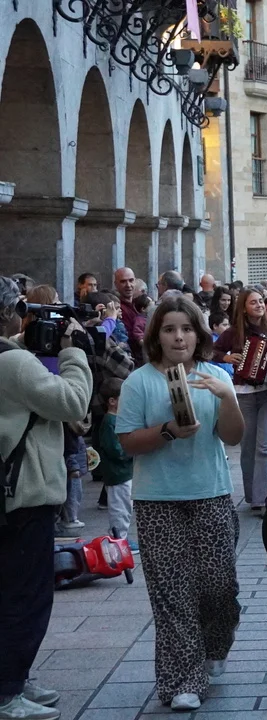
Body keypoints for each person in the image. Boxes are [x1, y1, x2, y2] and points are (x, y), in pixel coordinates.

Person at [116, 296, 245, 710]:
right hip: (158, 499)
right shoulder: (139, 382)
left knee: (219, 587)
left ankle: (215, 645)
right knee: (172, 592)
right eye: (169, 329)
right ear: (156, 335)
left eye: (186, 329)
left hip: (211, 493)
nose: (178, 337)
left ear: (198, 334)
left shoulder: (214, 376)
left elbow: (234, 437)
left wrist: (227, 398)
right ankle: (182, 680)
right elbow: (127, 442)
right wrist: (168, 431)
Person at [0, 276, 93, 720]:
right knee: (26, 596)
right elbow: (72, 402)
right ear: (6, 313)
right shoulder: (13, 364)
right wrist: (73, 352)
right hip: (24, 496)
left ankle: (14, 675)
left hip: (8, 494)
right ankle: (7, 691)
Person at [213, 287, 267, 510]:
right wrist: (227, 357)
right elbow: (212, 350)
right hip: (244, 392)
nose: (259, 305)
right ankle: (251, 495)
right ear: (243, 308)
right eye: (253, 302)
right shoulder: (234, 332)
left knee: (264, 445)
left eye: (260, 301)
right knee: (247, 446)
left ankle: (262, 497)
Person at [95, 378, 134, 543]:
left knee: (125, 507)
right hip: (117, 475)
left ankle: (121, 539)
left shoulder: (116, 420)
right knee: (120, 510)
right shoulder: (109, 422)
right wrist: (134, 449)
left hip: (123, 473)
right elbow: (116, 450)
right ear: (112, 401)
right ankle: (118, 541)